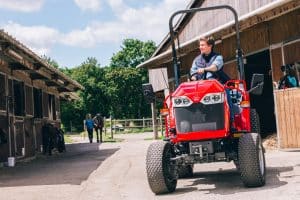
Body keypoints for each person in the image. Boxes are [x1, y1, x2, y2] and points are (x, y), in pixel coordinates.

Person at [190, 36, 234, 124]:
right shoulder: (196, 60)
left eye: (202, 45)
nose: (200, 47)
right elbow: (193, 73)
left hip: (217, 85)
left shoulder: (218, 57)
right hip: (201, 87)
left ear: (210, 46)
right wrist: (194, 78)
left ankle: (230, 119)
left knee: (226, 93)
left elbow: (215, 67)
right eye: (200, 45)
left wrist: (205, 69)